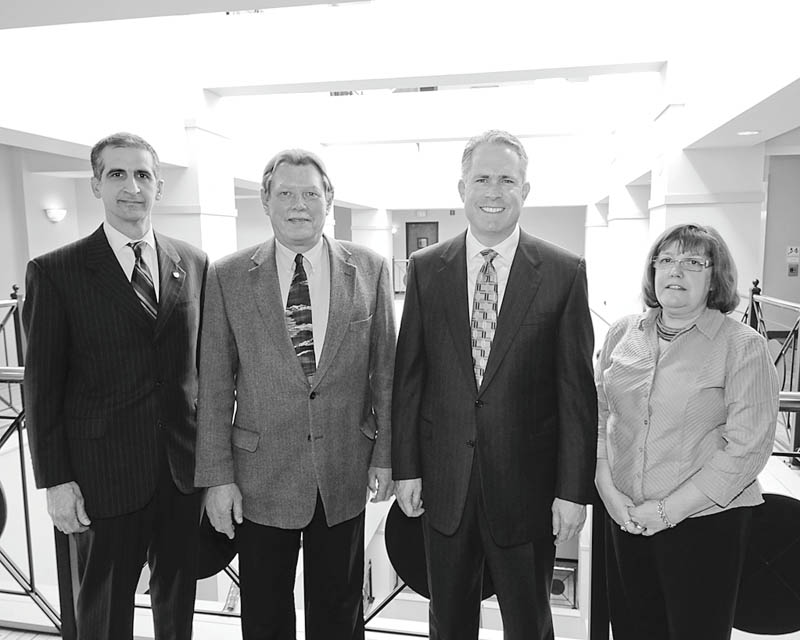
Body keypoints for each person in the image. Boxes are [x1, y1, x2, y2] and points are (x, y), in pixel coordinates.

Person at [392, 130, 597, 640]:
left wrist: (573, 493)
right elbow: (409, 379)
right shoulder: (425, 269)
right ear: (461, 188)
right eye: (481, 178)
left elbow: (577, 396)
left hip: (527, 492)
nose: (493, 191)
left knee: (529, 625)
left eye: (507, 179)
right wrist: (406, 468)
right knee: (448, 624)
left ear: (525, 190)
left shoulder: (564, 272)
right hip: (445, 485)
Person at [194, 149, 395, 640]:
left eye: (309, 193)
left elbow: (386, 375)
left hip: (343, 470)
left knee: (339, 613)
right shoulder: (226, 275)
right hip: (259, 477)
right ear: (265, 201)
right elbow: (215, 385)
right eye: (285, 193)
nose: (298, 204)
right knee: (265, 616)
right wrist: (217, 479)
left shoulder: (370, 268)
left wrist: (387, 455)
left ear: (329, 199)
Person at [22, 132, 209, 640]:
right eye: (117, 174)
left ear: (159, 186)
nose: (132, 187)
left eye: (143, 175)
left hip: (181, 471)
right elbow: (41, 388)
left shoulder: (193, 262)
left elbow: (204, 369)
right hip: (101, 476)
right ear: (96, 185)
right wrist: (56, 481)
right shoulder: (55, 271)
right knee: (104, 613)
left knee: (178, 607)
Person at [595, 223, 779, 640]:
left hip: (704, 525)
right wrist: (608, 490)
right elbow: (599, 414)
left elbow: (747, 449)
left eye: (693, 262)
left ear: (715, 277)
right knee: (631, 631)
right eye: (666, 260)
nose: (676, 270)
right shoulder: (622, 333)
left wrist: (667, 511)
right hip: (625, 518)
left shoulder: (742, 345)